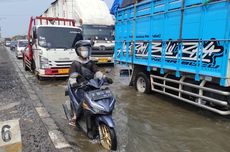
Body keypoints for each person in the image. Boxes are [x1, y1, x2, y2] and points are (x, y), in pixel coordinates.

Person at [68, 40, 111, 126]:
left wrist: (105, 78)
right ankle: (75, 118)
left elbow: (97, 71)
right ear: (78, 51)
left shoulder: (90, 62)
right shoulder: (75, 64)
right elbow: (72, 76)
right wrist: (74, 83)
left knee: (102, 95)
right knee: (85, 100)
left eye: (87, 49)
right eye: (83, 49)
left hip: (92, 84)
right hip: (79, 87)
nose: (85, 51)